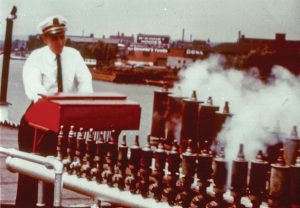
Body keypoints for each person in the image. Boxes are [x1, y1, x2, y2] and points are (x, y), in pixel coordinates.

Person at [16, 15, 93, 207]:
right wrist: (52, 101)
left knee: (55, 173)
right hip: (36, 120)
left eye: (62, 36)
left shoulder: (73, 55)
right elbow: (34, 87)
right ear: (45, 39)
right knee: (30, 174)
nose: (59, 42)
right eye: (54, 38)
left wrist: (83, 103)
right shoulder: (36, 58)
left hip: (60, 120)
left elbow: (85, 81)